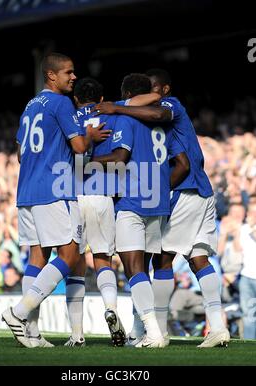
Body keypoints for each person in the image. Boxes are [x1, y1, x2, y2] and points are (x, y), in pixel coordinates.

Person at [93, 68, 230, 348]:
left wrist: (117, 108)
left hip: (183, 191)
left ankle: (158, 330)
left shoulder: (168, 107)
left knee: (159, 261)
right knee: (198, 259)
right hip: (201, 190)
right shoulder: (163, 123)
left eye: (153, 91)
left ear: (164, 90)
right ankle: (217, 326)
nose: (149, 98)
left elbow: (175, 156)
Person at [1, 52, 109, 348]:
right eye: (68, 73)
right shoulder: (61, 103)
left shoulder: (30, 105)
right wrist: (89, 136)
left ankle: (32, 333)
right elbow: (77, 147)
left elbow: (22, 153)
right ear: (51, 75)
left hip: (26, 191)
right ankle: (18, 312)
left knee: (37, 258)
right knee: (71, 256)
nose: (74, 77)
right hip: (54, 190)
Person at [92, 73, 189, 348]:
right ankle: (140, 330)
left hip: (133, 199)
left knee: (134, 269)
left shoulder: (126, 117)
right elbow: (182, 162)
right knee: (143, 269)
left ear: (126, 94)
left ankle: (155, 333)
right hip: (158, 202)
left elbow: (120, 158)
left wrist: (86, 162)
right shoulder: (163, 122)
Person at [64, 77, 126, 347]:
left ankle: (77, 334)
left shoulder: (68, 117)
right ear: (102, 99)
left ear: (76, 99)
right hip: (102, 195)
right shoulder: (112, 116)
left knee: (74, 264)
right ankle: (110, 308)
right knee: (103, 260)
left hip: (73, 195)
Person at [239, 202, 256, 339]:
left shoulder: (250, 230)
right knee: (249, 314)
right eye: (252, 212)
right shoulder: (243, 229)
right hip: (246, 277)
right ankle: (249, 343)